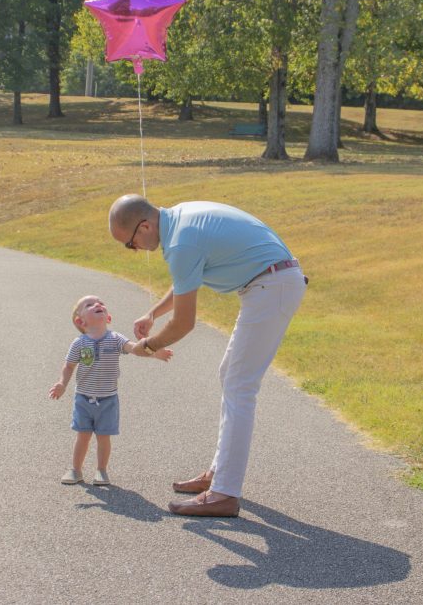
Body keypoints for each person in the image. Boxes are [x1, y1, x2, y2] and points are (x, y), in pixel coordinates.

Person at [108, 195, 307, 517]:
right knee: (230, 376)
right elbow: (188, 277)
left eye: (130, 244)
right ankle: (219, 474)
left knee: (239, 385)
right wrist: (153, 313)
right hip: (272, 282)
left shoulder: (181, 243)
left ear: (144, 226)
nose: (135, 250)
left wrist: (149, 346)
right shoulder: (181, 219)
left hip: (273, 286)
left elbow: (184, 323)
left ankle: (224, 493)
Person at [49, 294, 172, 486]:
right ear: (80, 321)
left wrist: (154, 352)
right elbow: (69, 366)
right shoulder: (79, 343)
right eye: (89, 305)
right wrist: (62, 383)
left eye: (100, 303)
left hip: (108, 400)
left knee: (103, 437)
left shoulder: (115, 339)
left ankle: (101, 471)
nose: (98, 304)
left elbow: (134, 348)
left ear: (108, 318)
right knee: (83, 435)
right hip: (83, 398)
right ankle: (76, 469)